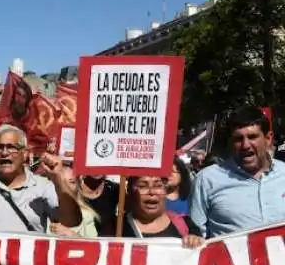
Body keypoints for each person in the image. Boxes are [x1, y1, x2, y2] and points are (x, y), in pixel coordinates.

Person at [191, 106, 285, 238]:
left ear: (268, 138)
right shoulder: (206, 180)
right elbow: (195, 237)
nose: (245, 145)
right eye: (238, 139)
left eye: (252, 137)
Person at [121, 175, 203, 248]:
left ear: (165, 191)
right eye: (143, 186)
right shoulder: (116, 227)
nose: (152, 192)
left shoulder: (187, 226)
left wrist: (197, 243)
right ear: (131, 192)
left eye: (158, 186)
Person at [47, 165, 99, 238]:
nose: (66, 187)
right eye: (61, 182)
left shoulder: (86, 214)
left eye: (72, 182)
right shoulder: (44, 209)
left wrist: (71, 234)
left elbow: (94, 245)